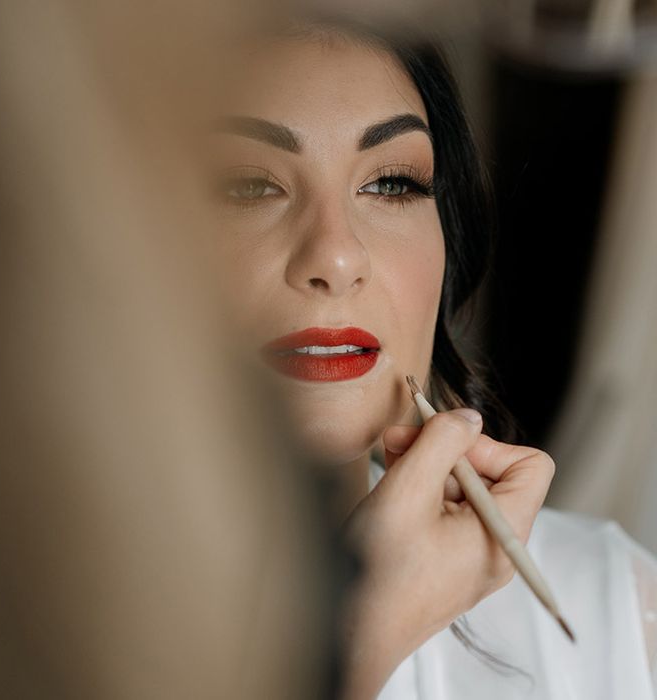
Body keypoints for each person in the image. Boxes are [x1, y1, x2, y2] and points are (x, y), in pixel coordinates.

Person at [204, 17, 657, 700]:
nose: (335, 255)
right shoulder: (5, 621)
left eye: (391, 183)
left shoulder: (619, 613)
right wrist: (364, 636)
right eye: (247, 185)